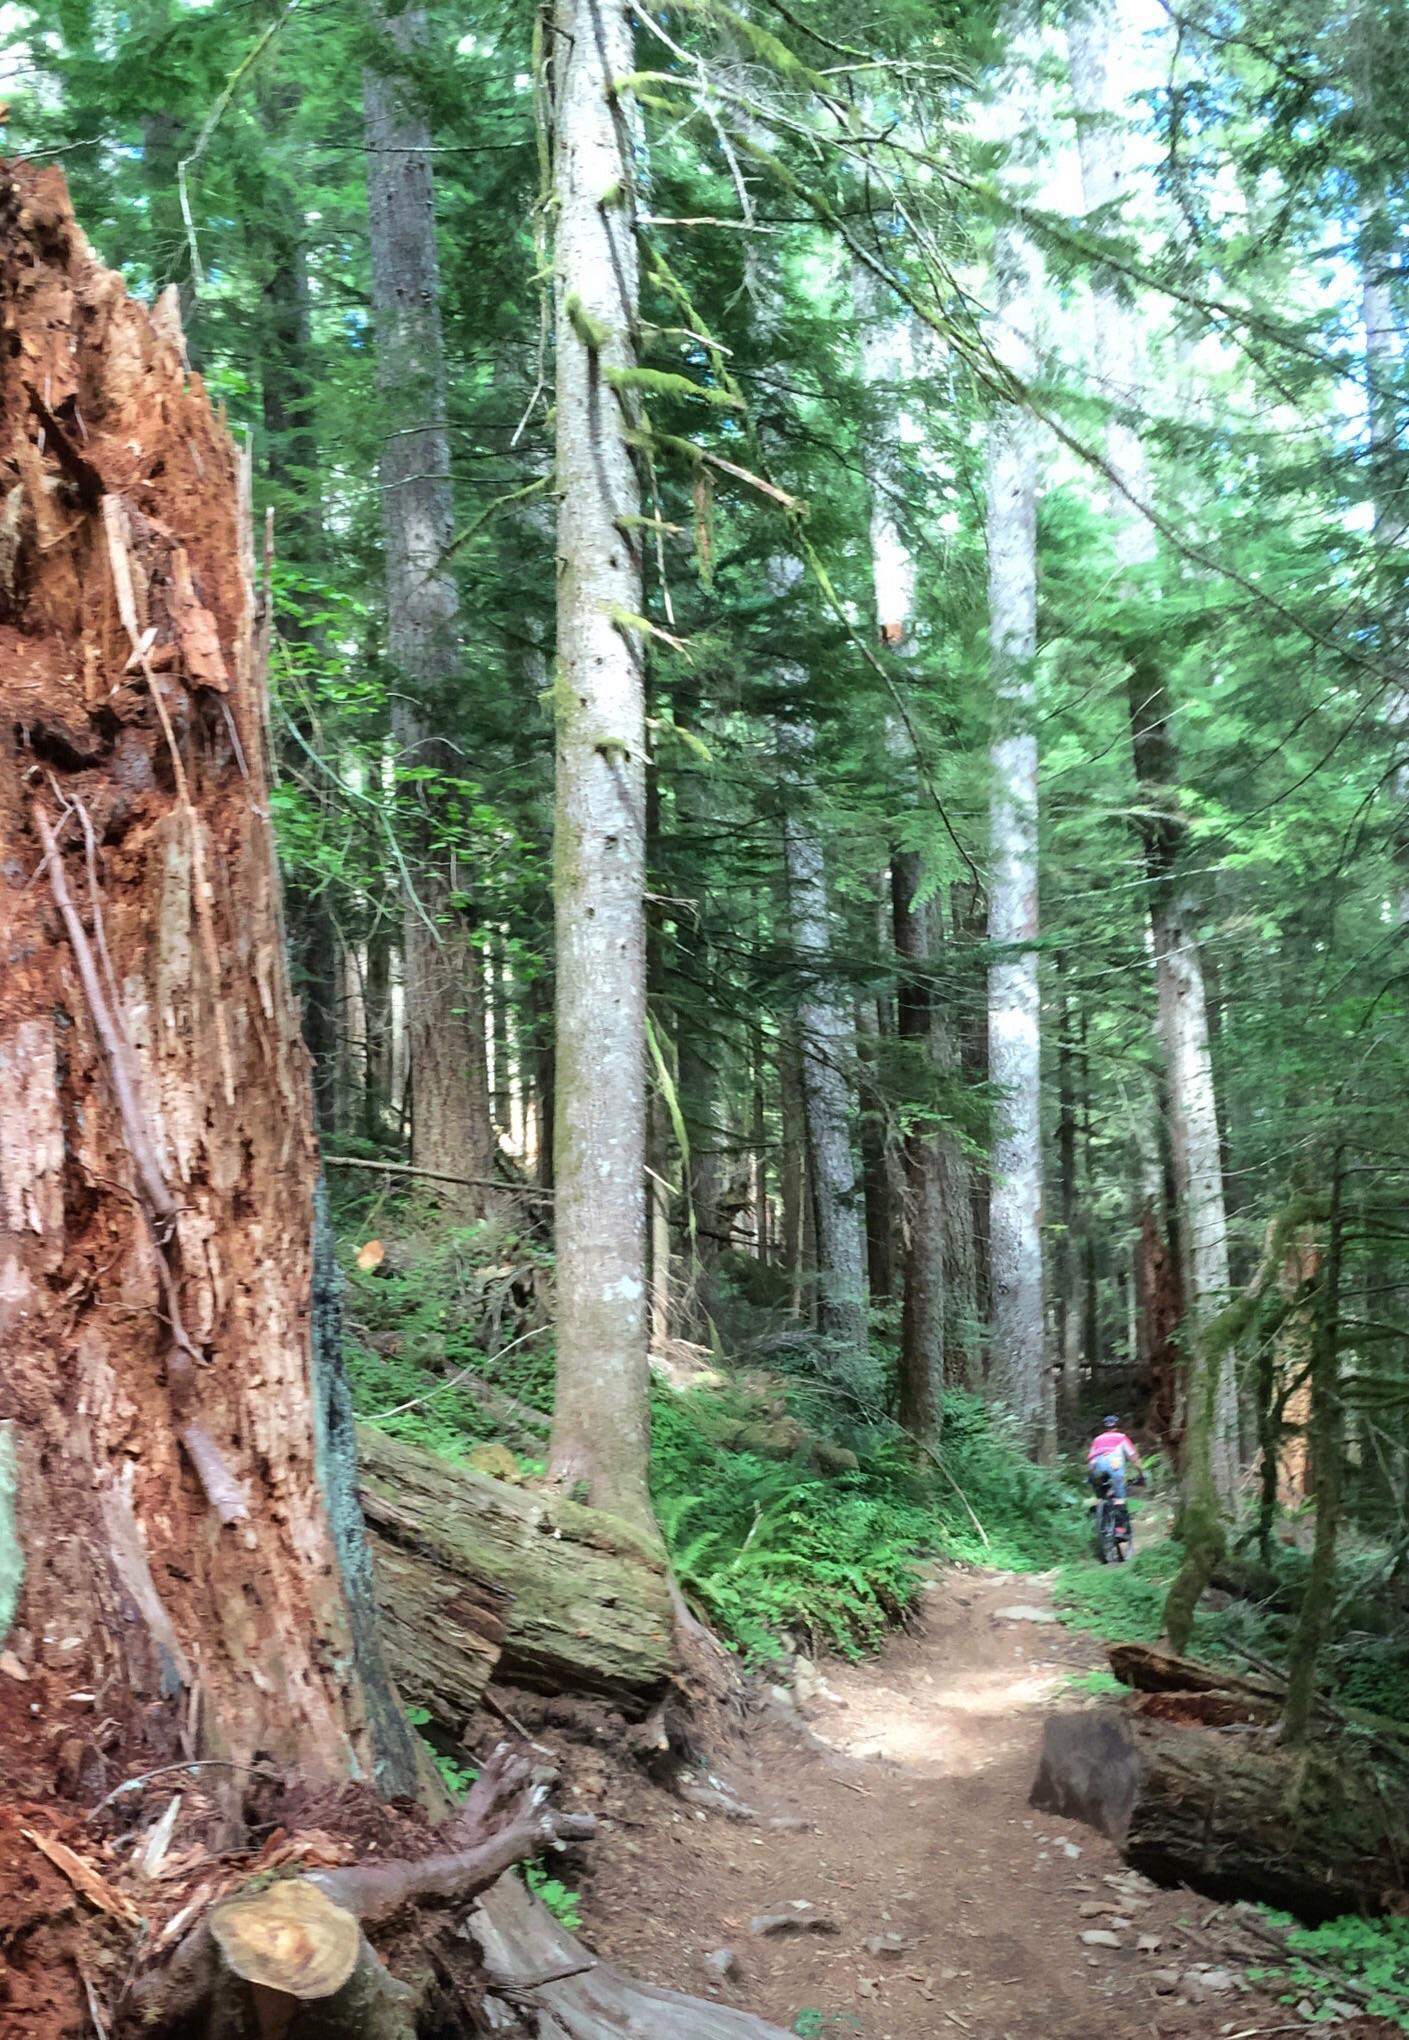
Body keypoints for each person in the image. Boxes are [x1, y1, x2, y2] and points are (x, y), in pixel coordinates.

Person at [1087, 1415, 1143, 1501]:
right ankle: (1120, 1503)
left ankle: (1099, 1505)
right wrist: (1141, 1473)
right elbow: (1133, 1456)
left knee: (1099, 1494)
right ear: (1117, 1426)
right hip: (1115, 1463)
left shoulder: (1097, 1439)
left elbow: (1091, 1459)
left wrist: (1091, 1473)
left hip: (1098, 1463)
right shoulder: (1121, 1437)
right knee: (1119, 1488)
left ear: (1105, 1428)